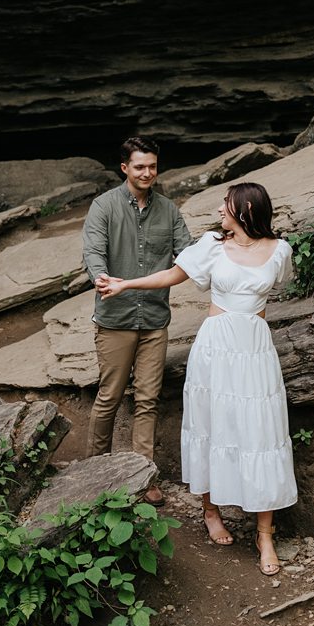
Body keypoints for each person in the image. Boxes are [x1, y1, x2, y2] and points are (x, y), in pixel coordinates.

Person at [97, 181, 297, 576]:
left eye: (226, 205)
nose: (220, 211)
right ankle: (210, 511)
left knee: (262, 433)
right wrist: (125, 284)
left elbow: (280, 285)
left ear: (245, 210)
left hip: (255, 351)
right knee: (211, 425)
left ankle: (265, 534)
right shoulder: (211, 245)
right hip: (215, 350)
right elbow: (172, 276)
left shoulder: (280, 250)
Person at [82, 136, 192, 506]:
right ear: (125, 168)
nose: (148, 173)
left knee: (147, 399)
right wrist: (101, 277)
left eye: (153, 166)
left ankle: (143, 478)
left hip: (155, 320)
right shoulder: (104, 207)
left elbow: (188, 256)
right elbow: (94, 252)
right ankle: (94, 470)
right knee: (110, 396)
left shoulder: (169, 211)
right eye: (140, 166)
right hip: (115, 319)